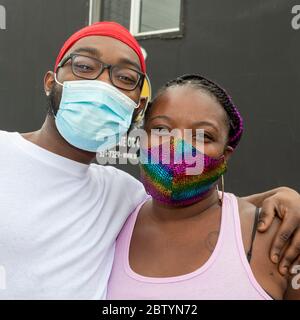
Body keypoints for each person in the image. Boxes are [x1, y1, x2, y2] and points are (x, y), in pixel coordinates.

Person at [0, 22, 299, 299]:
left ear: (136, 107)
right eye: (84, 67)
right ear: (51, 82)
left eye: (125, 78)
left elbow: (195, 206)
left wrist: (281, 198)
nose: (103, 85)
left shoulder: (120, 194)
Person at [107, 74, 300, 300]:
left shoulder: (280, 239)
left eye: (203, 136)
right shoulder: (111, 222)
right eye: (161, 129)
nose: (176, 145)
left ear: (225, 155)